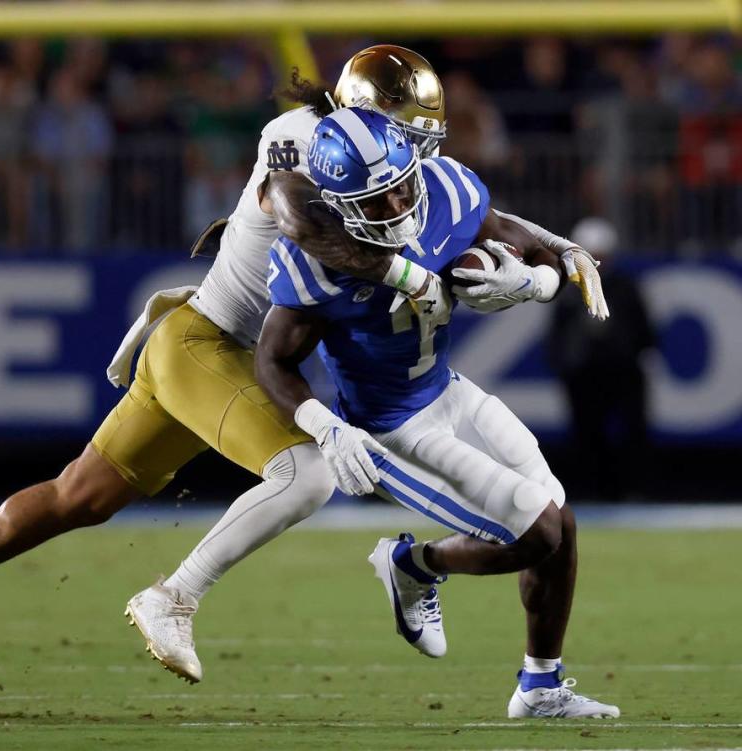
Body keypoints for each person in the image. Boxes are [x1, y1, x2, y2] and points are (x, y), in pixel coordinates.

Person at [0, 45, 606, 694]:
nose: (421, 155)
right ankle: (173, 597)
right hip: (211, 344)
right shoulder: (300, 147)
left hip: (202, 349)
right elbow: (294, 211)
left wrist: (558, 257)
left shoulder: (385, 173)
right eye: (409, 134)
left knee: (77, 496)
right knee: (309, 471)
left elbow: (479, 212)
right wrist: (417, 279)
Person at [255, 107, 619, 719]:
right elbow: (272, 362)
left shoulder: (446, 190)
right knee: (538, 531)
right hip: (391, 431)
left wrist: (531, 281)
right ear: (341, 205)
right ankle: (411, 563)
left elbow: (524, 243)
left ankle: (541, 687)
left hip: (448, 390)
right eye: (378, 198)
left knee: (562, 525)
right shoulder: (318, 260)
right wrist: (324, 426)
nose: (399, 202)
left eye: (403, 183)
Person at [547, 217, 655, 500]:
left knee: (632, 432)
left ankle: (633, 489)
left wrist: (638, 354)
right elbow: (558, 333)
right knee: (586, 432)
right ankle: (593, 490)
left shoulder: (624, 287)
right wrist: (563, 363)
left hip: (622, 368)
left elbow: (642, 328)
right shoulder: (568, 290)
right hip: (582, 371)